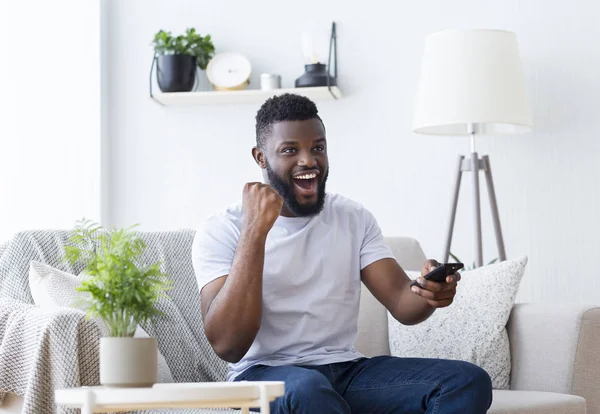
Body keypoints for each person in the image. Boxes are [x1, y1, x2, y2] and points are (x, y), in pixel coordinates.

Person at [192, 93, 493, 413]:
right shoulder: (222, 229)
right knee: (308, 390)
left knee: (466, 381)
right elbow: (229, 345)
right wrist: (254, 232)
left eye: (317, 148)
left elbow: (404, 304)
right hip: (262, 376)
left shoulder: (352, 217)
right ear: (261, 157)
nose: (308, 160)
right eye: (290, 150)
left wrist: (429, 291)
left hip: (346, 371)